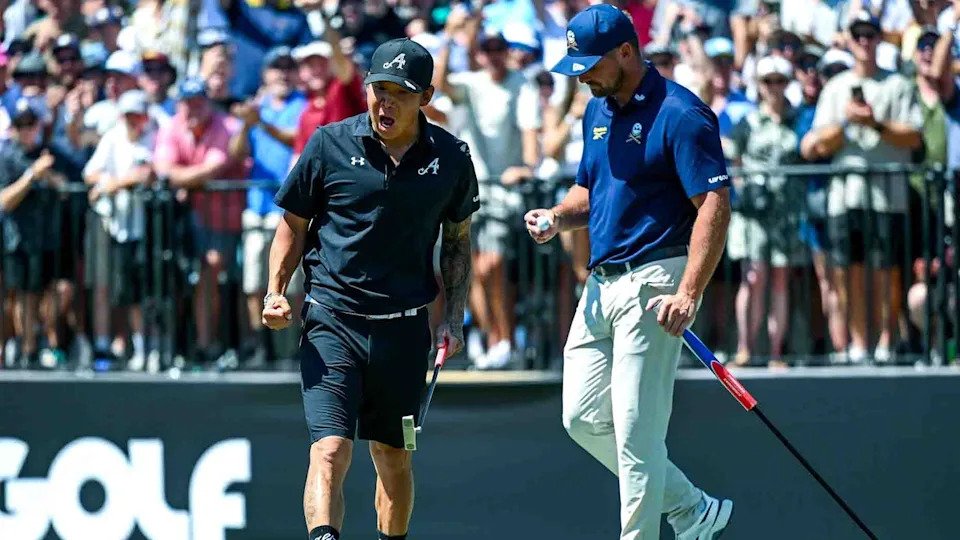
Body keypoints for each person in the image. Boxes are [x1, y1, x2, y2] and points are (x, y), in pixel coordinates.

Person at [524, 5, 733, 538]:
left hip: (657, 281)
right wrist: (555, 217)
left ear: (626, 51)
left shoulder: (681, 113)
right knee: (581, 418)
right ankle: (691, 508)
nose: (583, 76)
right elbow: (589, 191)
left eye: (591, 64)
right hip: (600, 285)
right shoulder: (598, 109)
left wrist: (689, 292)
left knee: (636, 436)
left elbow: (713, 203)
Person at [261, 38, 479, 540]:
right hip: (331, 321)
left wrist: (453, 316)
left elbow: (458, 240)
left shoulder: (451, 156)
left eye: (398, 93)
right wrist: (276, 290)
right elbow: (293, 222)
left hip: (404, 332)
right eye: (377, 90)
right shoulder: (328, 143)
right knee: (330, 449)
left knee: (393, 458)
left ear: (424, 97)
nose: (385, 102)